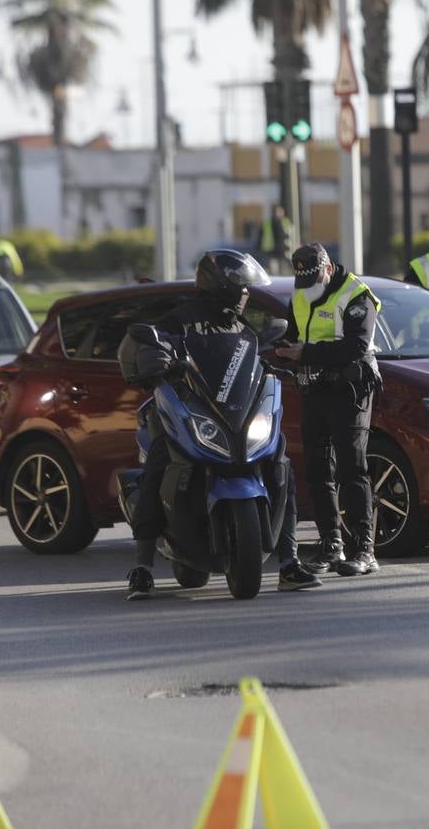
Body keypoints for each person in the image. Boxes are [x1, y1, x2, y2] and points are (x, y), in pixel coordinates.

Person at [123, 249, 320, 600]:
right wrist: (157, 359)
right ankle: (143, 567)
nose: (246, 294)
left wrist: (271, 366)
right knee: (158, 462)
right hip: (189, 413)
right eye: (241, 288)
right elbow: (152, 346)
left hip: (234, 418)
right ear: (221, 286)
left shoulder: (242, 329)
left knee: (282, 465)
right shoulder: (178, 320)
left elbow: (249, 365)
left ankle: (288, 562)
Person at [277, 243, 383, 577]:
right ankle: (330, 545)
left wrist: (305, 353)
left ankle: (364, 550)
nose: (308, 290)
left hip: (349, 389)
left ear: (326, 269)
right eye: (302, 284)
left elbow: (356, 345)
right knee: (316, 468)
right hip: (316, 389)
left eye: (313, 281)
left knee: (352, 469)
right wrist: (281, 349)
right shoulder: (300, 294)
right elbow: (292, 334)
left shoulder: (355, 295)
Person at [258, 205, 294, 274]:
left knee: (284, 270)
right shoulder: (267, 223)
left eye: (280, 211)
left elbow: (292, 235)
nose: (278, 213)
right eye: (277, 211)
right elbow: (261, 236)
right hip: (271, 250)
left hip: (284, 250)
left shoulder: (286, 222)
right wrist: (259, 247)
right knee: (274, 270)